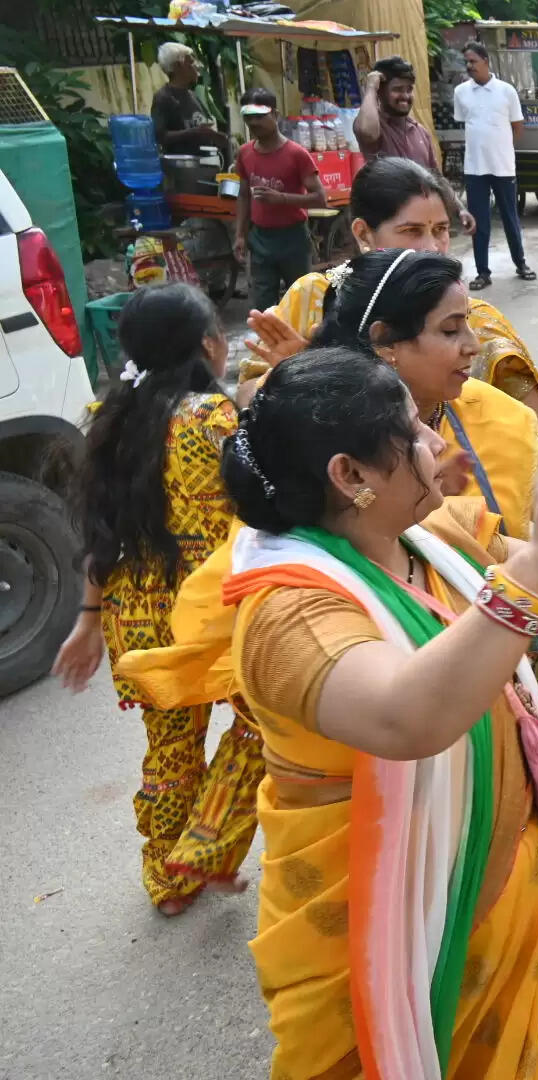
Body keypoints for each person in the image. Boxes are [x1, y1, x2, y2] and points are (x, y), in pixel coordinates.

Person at [137, 349, 538, 1076]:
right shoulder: (287, 617)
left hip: (497, 851)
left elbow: (528, 570)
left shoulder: (419, 530)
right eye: (413, 432)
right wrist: (535, 568)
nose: (438, 441)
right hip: (387, 910)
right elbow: (408, 718)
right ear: (350, 475)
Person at [50, 283, 263, 916]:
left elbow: (102, 535)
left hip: (137, 618)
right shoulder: (212, 419)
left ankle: (168, 881)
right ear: (208, 344)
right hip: (213, 611)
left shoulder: (109, 421)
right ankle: (206, 847)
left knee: (170, 751)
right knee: (263, 723)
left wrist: (89, 620)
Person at [238, 158, 538, 437]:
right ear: (363, 233)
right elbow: (246, 398)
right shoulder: (314, 298)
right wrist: (298, 375)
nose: (432, 247)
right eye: (412, 231)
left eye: (441, 229)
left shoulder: (475, 319)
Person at [232, 88, 325, 313]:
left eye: (259, 116)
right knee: (264, 306)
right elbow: (243, 195)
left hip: (293, 238)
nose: (253, 122)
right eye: (248, 117)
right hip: (260, 238)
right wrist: (240, 235)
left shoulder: (296, 154)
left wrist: (281, 199)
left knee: (301, 303)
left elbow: (320, 198)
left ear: (275, 114)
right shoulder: (244, 153)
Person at [356, 56, 474, 233]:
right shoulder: (376, 126)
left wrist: (460, 209)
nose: (405, 96)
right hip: (388, 228)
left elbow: (437, 177)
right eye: (397, 89)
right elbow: (367, 132)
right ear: (380, 92)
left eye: (409, 89)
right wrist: (371, 87)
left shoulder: (420, 132)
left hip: (422, 226)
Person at [456, 42, 535, 289]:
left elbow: (518, 127)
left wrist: (501, 149)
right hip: (474, 168)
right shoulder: (461, 92)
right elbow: (465, 124)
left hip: (503, 167)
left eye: (473, 61)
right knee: (479, 222)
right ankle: (482, 272)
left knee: (510, 217)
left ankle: (521, 263)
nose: (469, 66)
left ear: (486, 61)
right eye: (466, 62)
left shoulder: (506, 91)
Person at [150, 42, 230, 158]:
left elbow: (200, 129)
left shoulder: (192, 95)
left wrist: (214, 136)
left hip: (201, 164)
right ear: (178, 66)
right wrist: (194, 132)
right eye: (191, 62)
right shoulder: (163, 97)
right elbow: (159, 136)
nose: (197, 66)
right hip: (180, 167)